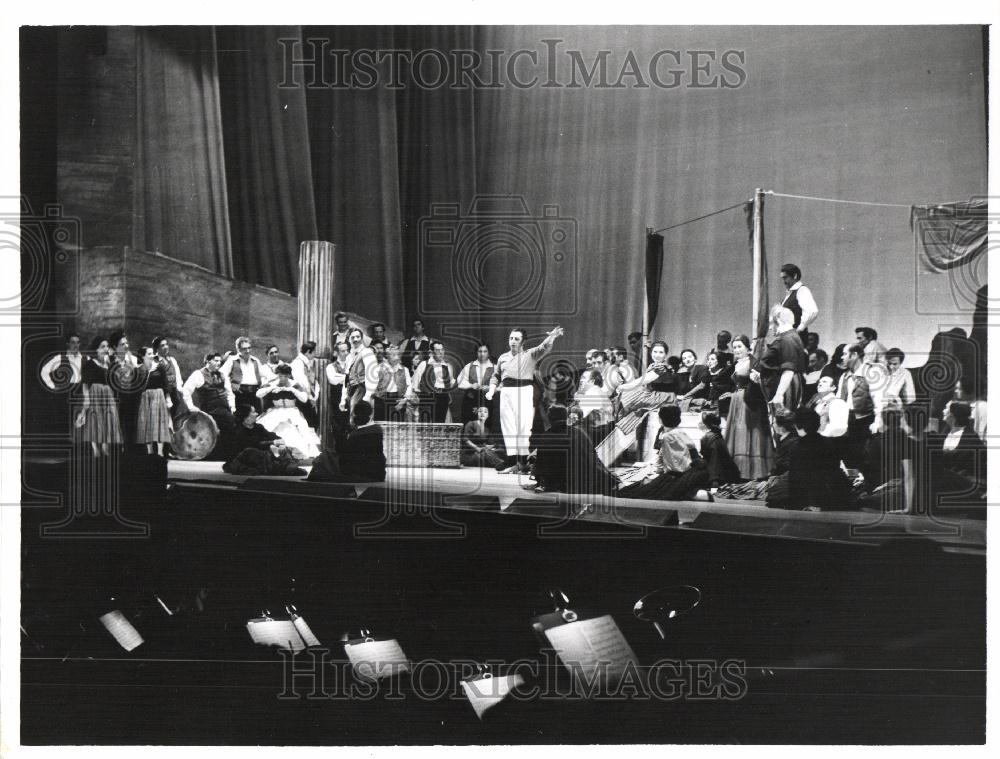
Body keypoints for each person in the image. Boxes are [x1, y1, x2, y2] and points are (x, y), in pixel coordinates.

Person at [486, 325, 565, 474]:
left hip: (523, 391)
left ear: (523, 341)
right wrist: (491, 390)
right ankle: (511, 460)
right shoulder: (503, 357)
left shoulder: (531, 354)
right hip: (506, 392)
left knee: (523, 427)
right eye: (511, 338)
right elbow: (496, 375)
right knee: (508, 426)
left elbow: (544, 347)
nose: (513, 341)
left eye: (516, 339)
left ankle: (522, 463)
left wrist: (552, 336)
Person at [603, 340, 677, 466]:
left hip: (664, 397)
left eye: (661, 352)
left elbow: (643, 381)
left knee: (627, 398)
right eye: (655, 352)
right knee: (625, 400)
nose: (657, 354)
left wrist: (623, 387)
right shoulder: (654, 365)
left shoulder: (660, 367)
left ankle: (622, 435)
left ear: (665, 355)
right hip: (651, 393)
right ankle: (621, 438)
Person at [618, 405, 708, 500]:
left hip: (682, 475)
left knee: (642, 492)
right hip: (692, 472)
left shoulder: (669, 436)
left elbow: (677, 466)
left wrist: (658, 476)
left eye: (659, 417)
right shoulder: (679, 432)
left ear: (661, 419)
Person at [529, 405, 616, 495]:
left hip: (565, 484)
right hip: (592, 480)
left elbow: (543, 466)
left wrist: (542, 482)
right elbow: (594, 457)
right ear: (566, 417)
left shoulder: (547, 437)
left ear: (550, 419)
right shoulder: (580, 433)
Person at [723, 334, 774, 480]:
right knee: (738, 432)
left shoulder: (754, 362)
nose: (737, 350)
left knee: (748, 431)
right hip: (737, 400)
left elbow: (762, 380)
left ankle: (750, 472)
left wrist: (757, 381)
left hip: (750, 401)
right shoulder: (737, 363)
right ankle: (736, 471)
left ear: (747, 348)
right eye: (735, 347)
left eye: (740, 347)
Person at [308, 400, 386, 482]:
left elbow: (344, 452)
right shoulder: (377, 429)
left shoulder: (358, 433)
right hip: (377, 470)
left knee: (324, 457)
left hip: (360, 469)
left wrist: (339, 434)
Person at [255, 364, 321, 460]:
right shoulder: (272, 383)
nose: (283, 379)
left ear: (289, 375)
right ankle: (274, 453)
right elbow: (258, 394)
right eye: (280, 376)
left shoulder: (294, 384)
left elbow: (304, 399)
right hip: (275, 411)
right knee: (270, 427)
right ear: (277, 375)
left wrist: (292, 390)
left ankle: (294, 453)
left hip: (292, 411)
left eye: (285, 376)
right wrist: (271, 388)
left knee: (297, 428)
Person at [753, 305, 807, 412]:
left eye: (771, 323)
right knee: (780, 423)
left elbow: (789, 369)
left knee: (781, 423)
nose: (770, 327)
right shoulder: (790, 337)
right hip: (784, 387)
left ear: (778, 320)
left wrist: (779, 395)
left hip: (784, 389)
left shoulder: (787, 340)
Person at [78, 336, 123, 457]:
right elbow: (85, 385)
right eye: (102, 346)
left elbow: (116, 380)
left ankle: (105, 448)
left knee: (108, 422)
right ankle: (95, 451)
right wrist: (86, 400)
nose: (106, 349)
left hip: (108, 396)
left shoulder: (109, 364)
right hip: (95, 395)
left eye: (107, 346)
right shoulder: (89, 364)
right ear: (96, 350)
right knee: (95, 422)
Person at [836, 343, 878, 469]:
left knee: (862, 455)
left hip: (864, 420)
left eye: (844, 354)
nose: (842, 357)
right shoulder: (844, 376)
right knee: (847, 454)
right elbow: (839, 399)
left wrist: (877, 420)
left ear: (854, 355)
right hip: (847, 419)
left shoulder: (870, 373)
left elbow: (878, 399)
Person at [182, 353, 236, 433]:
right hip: (210, 411)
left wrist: (232, 406)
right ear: (208, 361)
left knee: (231, 427)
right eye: (216, 361)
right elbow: (186, 390)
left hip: (225, 409)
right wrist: (191, 407)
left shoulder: (222, 374)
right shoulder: (198, 374)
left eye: (220, 361)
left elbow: (229, 392)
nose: (219, 363)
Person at [40, 333, 83, 434]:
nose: (75, 345)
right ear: (68, 344)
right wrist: (52, 386)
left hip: (79, 391)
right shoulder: (60, 358)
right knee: (64, 421)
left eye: (78, 342)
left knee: (78, 421)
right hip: (65, 393)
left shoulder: (84, 358)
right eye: (73, 342)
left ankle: (74, 444)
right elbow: (44, 371)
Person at [135, 346, 173, 456]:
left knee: (158, 424)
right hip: (145, 398)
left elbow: (166, 385)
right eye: (149, 354)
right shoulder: (139, 370)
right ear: (143, 356)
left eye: (153, 353)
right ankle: (150, 452)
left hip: (158, 396)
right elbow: (136, 387)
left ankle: (160, 453)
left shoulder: (159, 367)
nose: (152, 356)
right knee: (147, 425)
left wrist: (168, 399)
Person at [108, 331, 143, 446]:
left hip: (131, 398)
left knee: (130, 427)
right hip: (116, 398)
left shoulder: (133, 359)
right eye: (122, 344)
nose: (126, 346)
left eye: (126, 343)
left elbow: (138, 379)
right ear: (115, 347)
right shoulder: (110, 361)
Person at [408, 340, 457, 423]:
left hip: (442, 398)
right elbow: (415, 384)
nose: (441, 352)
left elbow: (450, 383)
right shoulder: (424, 364)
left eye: (442, 350)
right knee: (425, 422)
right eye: (438, 350)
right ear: (431, 352)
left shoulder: (447, 366)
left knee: (440, 422)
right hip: (427, 397)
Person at [221, 337, 265, 413]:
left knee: (257, 417)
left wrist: (262, 386)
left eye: (249, 348)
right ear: (238, 349)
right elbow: (222, 374)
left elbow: (264, 376)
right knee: (241, 418)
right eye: (244, 349)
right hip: (240, 394)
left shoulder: (255, 360)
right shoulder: (232, 360)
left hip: (255, 394)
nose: (247, 351)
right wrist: (230, 388)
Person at [698, 411, 741, 487]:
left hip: (712, 470)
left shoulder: (705, 437)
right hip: (724, 470)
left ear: (706, 425)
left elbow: (703, 453)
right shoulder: (720, 436)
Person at [340, 329, 377, 416]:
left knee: (360, 419)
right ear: (349, 339)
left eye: (358, 337)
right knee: (352, 420)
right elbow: (346, 379)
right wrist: (343, 398)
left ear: (362, 338)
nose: (355, 339)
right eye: (353, 337)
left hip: (362, 389)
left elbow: (372, 374)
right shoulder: (349, 357)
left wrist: (368, 395)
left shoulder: (367, 352)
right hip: (351, 390)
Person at [457, 343, 495, 423]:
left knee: (487, 426)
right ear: (476, 353)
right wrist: (471, 385)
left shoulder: (495, 367)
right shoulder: (469, 366)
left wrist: (490, 388)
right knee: (469, 424)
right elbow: (460, 381)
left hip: (488, 401)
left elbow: (501, 384)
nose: (482, 354)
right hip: (471, 401)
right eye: (480, 351)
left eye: (485, 351)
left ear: (489, 353)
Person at [372, 344, 411, 422]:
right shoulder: (379, 368)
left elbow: (409, 386)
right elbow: (373, 386)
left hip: (398, 400)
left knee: (397, 425)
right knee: (381, 424)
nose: (396, 357)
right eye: (393, 355)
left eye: (398, 355)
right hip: (381, 400)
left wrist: (404, 400)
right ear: (387, 356)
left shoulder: (404, 370)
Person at [779, 263, 819, 334]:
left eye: (785, 278)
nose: (784, 282)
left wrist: (800, 329)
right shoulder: (790, 293)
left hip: (797, 338)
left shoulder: (802, 290)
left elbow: (812, 311)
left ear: (794, 276)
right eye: (782, 278)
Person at [290, 341, 321, 427]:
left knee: (313, 423)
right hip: (303, 399)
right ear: (308, 352)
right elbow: (302, 383)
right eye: (314, 351)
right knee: (309, 424)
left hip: (309, 399)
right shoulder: (298, 363)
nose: (315, 354)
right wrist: (310, 398)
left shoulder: (306, 363)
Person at [153, 336, 185, 420]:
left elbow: (177, 376)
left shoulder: (172, 360)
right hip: (162, 393)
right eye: (162, 345)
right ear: (157, 348)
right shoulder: (154, 361)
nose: (166, 347)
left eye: (166, 344)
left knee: (175, 414)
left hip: (174, 392)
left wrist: (179, 390)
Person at [325, 341, 352, 434]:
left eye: (347, 350)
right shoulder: (330, 367)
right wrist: (348, 377)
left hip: (352, 401)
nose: (346, 353)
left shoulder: (352, 365)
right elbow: (333, 380)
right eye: (343, 351)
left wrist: (340, 377)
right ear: (336, 352)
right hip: (336, 402)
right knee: (338, 429)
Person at [706, 350, 734, 417]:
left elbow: (729, 387)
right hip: (709, 405)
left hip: (724, 406)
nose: (709, 361)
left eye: (712, 359)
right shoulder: (706, 373)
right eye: (708, 359)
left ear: (719, 360)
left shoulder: (726, 373)